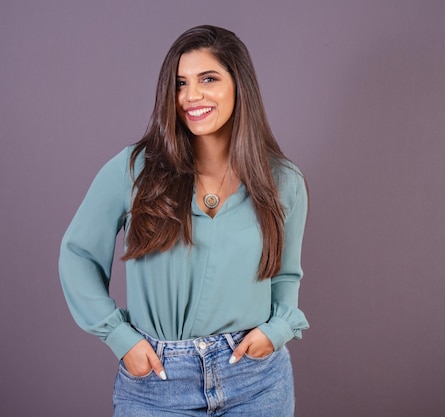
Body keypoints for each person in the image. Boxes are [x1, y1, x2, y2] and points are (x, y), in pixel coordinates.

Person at [59, 25, 309, 416]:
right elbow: (78, 255)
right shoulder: (134, 170)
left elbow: (286, 273)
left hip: (256, 381)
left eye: (208, 79)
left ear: (239, 86)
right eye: (180, 83)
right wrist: (120, 338)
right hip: (158, 383)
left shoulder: (283, 181)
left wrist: (275, 332)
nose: (191, 96)